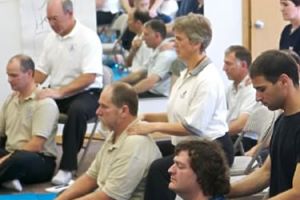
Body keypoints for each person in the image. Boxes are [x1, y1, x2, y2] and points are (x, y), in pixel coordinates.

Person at [127, 14, 234, 200]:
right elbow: (177, 114)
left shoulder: (207, 80)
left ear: (196, 43)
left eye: (178, 39)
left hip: (211, 150)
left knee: (159, 169)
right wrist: (146, 117)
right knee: (144, 152)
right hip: (189, 144)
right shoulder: (187, 72)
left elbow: (193, 126)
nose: (173, 43)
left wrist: (152, 127)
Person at [35, 0, 103, 185]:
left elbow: (89, 76)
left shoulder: (88, 37)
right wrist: (27, 88)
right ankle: (24, 159)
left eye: (55, 18)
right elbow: (41, 71)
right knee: (28, 104)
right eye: (48, 19)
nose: (51, 24)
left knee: (77, 111)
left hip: (87, 93)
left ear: (69, 13)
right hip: (59, 92)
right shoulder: (50, 39)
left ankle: (67, 167)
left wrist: (59, 92)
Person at [56, 82, 161, 200]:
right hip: (105, 194)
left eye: (104, 107)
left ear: (124, 111)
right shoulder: (116, 133)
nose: (97, 112)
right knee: (64, 194)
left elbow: (109, 197)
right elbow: (91, 177)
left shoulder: (135, 143)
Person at [228, 50, 300, 199]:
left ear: (284, 81)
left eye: (262, 89)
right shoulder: (282, 119)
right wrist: (222, 192)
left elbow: (297, 193)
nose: (257, 98)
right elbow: (266, 172)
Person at [0, 55, 58, 192]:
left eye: (14, 75)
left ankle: (8, 175)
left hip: (38, 159)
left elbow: (36, 145)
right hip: (11, 153)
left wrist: (4, 161)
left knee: (19, 159)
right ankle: (8, 177)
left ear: (30, 74)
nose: (9, 80)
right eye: (8, 75)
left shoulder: (45, 103)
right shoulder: (10, 99)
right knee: (13, 159)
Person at [223, 45, 257, 152]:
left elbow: (241, 124)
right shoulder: (230, 88)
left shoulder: (252, 89)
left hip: (244, 140)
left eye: (228, 64)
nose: (224, 68)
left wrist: (216, 133)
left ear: (243, 65)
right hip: (230, 136)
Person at [131, 19, 177, 97]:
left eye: (146, 34)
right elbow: (140, 73)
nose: (143, 38)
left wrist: (127, 93)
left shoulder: (166, 55)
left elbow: (150, 82)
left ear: (157, 36)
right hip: (150, 91)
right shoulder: (157, 50)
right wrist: (118, 83)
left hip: (158, 96)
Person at [121, 9, 153, 85]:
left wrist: (118, 84)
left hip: (138, 82)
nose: (127, 22)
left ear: (138, 23)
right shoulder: (136, 38)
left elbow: (144, 74)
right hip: (131, 76)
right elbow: (127, 64)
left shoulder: (147, 43)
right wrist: (133, 50)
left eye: (129, 20)